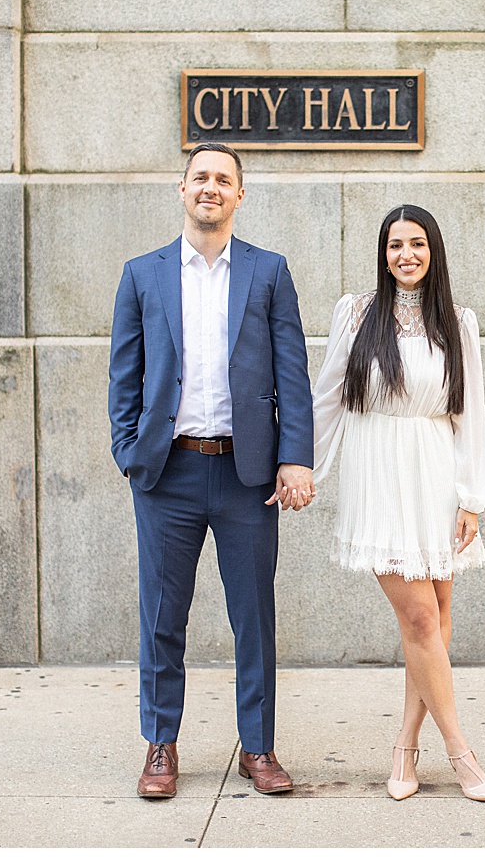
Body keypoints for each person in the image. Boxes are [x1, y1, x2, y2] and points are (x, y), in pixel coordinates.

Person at [108, 142, 315, 799]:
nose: (211, 187)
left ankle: (258, 747)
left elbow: (293, 376)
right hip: (166, 475)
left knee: (252, 615)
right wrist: (129, 454)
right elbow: (124, 377)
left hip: (245, 476)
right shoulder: (142, 275)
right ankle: (160, 743)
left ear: (239, 195)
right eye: (201, 176)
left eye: (224, 179)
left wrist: (295, 456)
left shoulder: (268, 272)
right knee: (163, 615)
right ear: (182, 188)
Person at [310, 204, 485, 802]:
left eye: (417, 244)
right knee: (419, 618)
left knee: (437, 620)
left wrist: (471, 496)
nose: (406, 255)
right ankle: (462, 754)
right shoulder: (357, 313)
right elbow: (329, 397)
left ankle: (404, 748)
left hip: (437, 477)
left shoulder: (457, 322)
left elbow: (470, 414)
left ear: (433, 250)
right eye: (395, 245)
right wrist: (303, 469)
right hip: (379, 478)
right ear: (383, 253)